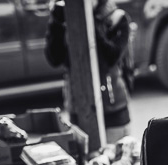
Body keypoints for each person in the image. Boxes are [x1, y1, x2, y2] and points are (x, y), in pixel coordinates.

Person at [45, 0, 133, 144]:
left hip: (113, 109)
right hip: (78, 108)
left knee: (116, 161)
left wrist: (88, 22)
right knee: (86, 162)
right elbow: (54, 59)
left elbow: (110, 58)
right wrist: (56, 23)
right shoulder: (65, 18)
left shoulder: (116, 18)